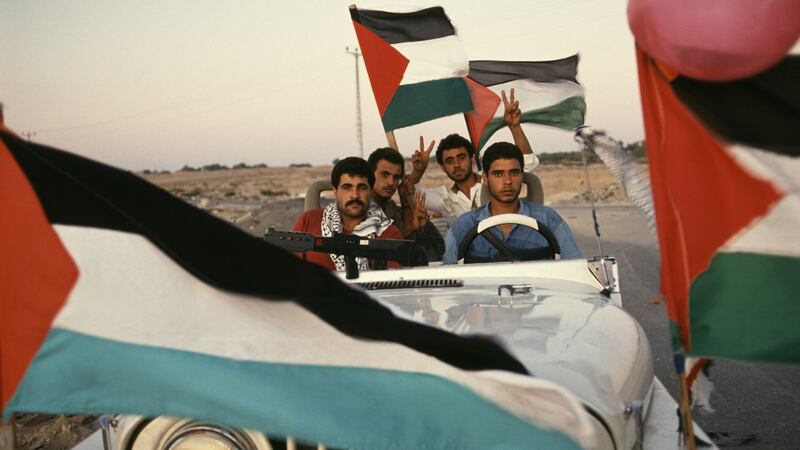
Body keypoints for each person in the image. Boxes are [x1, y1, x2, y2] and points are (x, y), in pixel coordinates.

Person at [407, 89, 540, 220]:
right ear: (442, 167)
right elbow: (408, 194)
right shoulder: (444, 198)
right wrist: (417, 172)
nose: (457, 165)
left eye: (461, 157)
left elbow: (528, 164)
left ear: (471, 159)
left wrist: (515, 127)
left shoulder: (492, 181)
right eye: (449, 161)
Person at [443, 142, 582, 264]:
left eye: (514, 173)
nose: (508, 181)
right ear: (485, 178)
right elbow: (449, 278)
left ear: (522, 175)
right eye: (498, 174)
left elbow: (574, 266)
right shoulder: (463, 226)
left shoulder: (549, 220)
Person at [292, 157, 404, 271]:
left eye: (362, 188)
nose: (355, 195)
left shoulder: (389, 234)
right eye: (347, 187)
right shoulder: (310, 220)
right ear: (335, 191)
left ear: (370, 191)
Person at [367, 147, 446, 261]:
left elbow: (406, 245)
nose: (391, 182)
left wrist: (406, 203)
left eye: (396, 177)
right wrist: (411, 227)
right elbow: (380, 249)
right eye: (385, 174)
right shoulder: (363, 206)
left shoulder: (390, 206)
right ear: (370, 174)